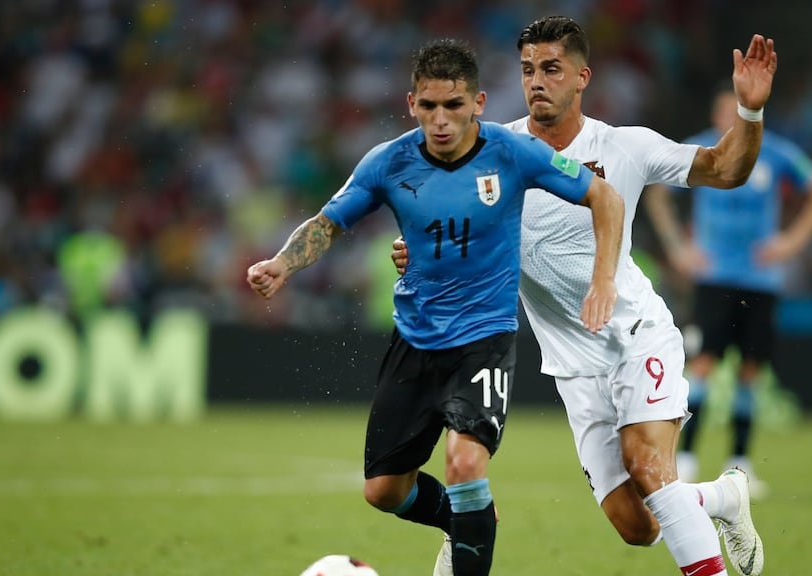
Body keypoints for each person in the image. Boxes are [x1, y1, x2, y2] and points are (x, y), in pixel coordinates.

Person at [392, 16, 775, 576]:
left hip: (636, 336)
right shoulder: (491, 154)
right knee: (638, 526)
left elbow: (726, 168)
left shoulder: (625, 146)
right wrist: (418, 250)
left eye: (551, 68)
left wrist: (749, 112)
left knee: (648, 465)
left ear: (582, 77)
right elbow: (453, 230)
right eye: (527, 70)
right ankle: (721, 498)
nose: (537, 81)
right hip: (574, 367)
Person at [246, 38, 626, 576]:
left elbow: (605, 196)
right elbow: (328, 223)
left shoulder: (514, 153)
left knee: (465, 462)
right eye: (429, 106)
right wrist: (282, 264)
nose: (441, 120)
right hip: (416, 340)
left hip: (484, 339)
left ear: (479, 103)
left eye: (453, 105)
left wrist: (602, 278)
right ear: (411, 104)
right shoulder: (389, 162)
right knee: (383, 490)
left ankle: (471, 531)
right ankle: (471, 524)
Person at [645, 82, 812, 495]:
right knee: (701, 366)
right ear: (715, 118)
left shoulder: (778, 154)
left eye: (737, 115)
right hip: (713, 279)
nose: (729, 122)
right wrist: (679, 248)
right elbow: (657, 193)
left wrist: (792, 241)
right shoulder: (700, 150)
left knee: (752, 371)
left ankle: (739, 464)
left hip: (760, 280)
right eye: (723, 115)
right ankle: (687, 458)